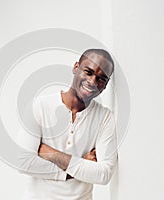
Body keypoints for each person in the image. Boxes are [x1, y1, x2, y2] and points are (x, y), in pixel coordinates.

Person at [17, 49, 117, 200]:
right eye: (88, 72)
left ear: (106, 84)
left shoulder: (105, 117)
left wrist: (51, 153)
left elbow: (104, 174)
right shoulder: (40, 106)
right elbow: (23, 163)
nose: (92, 82)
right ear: (76, 67)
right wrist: (81, 165)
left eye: (101, 79)